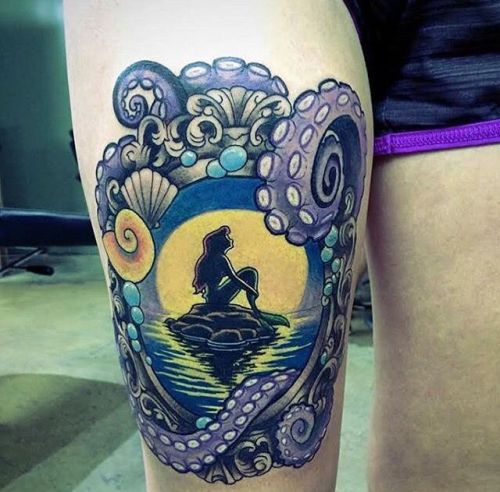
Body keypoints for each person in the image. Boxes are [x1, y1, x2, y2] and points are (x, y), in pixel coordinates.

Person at [64, 1, 500, 491]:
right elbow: (207, 281)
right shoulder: (209, 259)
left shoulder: (220, 257)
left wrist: (241, 285)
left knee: (461, 470)